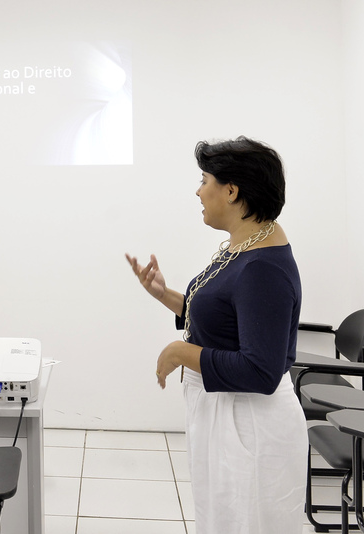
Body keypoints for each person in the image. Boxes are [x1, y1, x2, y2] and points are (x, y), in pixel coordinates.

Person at [125, 136, 307, 533]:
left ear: (231, 190)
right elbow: (226, 321)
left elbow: (260, 370)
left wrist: (180, 352)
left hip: (251, 428)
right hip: (229, 419)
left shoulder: (263, 268)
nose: (198, 191)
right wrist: (166, 295)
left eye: (204, 180)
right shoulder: (245, 246)